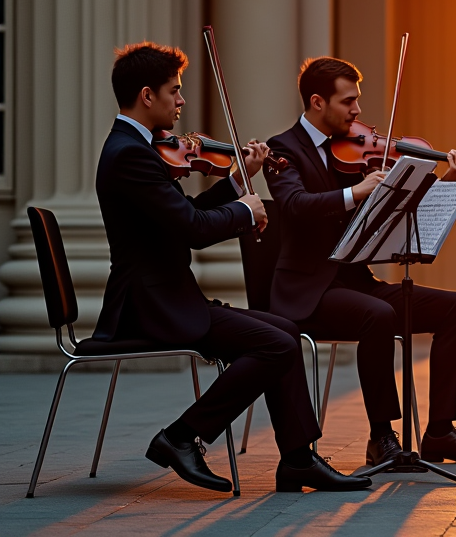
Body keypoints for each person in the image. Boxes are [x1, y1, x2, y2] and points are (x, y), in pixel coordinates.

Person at [94, 42, 368, 494]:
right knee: (276, 345)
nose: (181, 101)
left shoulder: (138, 149)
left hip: (166, 296)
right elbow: (193, 230)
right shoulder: (130, 155)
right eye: (174, 91)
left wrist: (238, 183)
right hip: (152, 304)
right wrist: (245, 209)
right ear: (147, 96)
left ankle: (298, 459)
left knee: (284, 330)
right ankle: (182, 436)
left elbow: (182, 214)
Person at [265, 56, 456, 468]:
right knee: (378, 315)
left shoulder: (352, 152)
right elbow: (294, 206)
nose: (357, 112)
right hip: (308, 292)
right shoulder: (282, 149)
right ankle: (382, 437)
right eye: (348, 101)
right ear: (317, 102)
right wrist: (357, 193)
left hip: (356, 281)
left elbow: (395, 212)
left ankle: (440, 431)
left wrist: (447, 179)